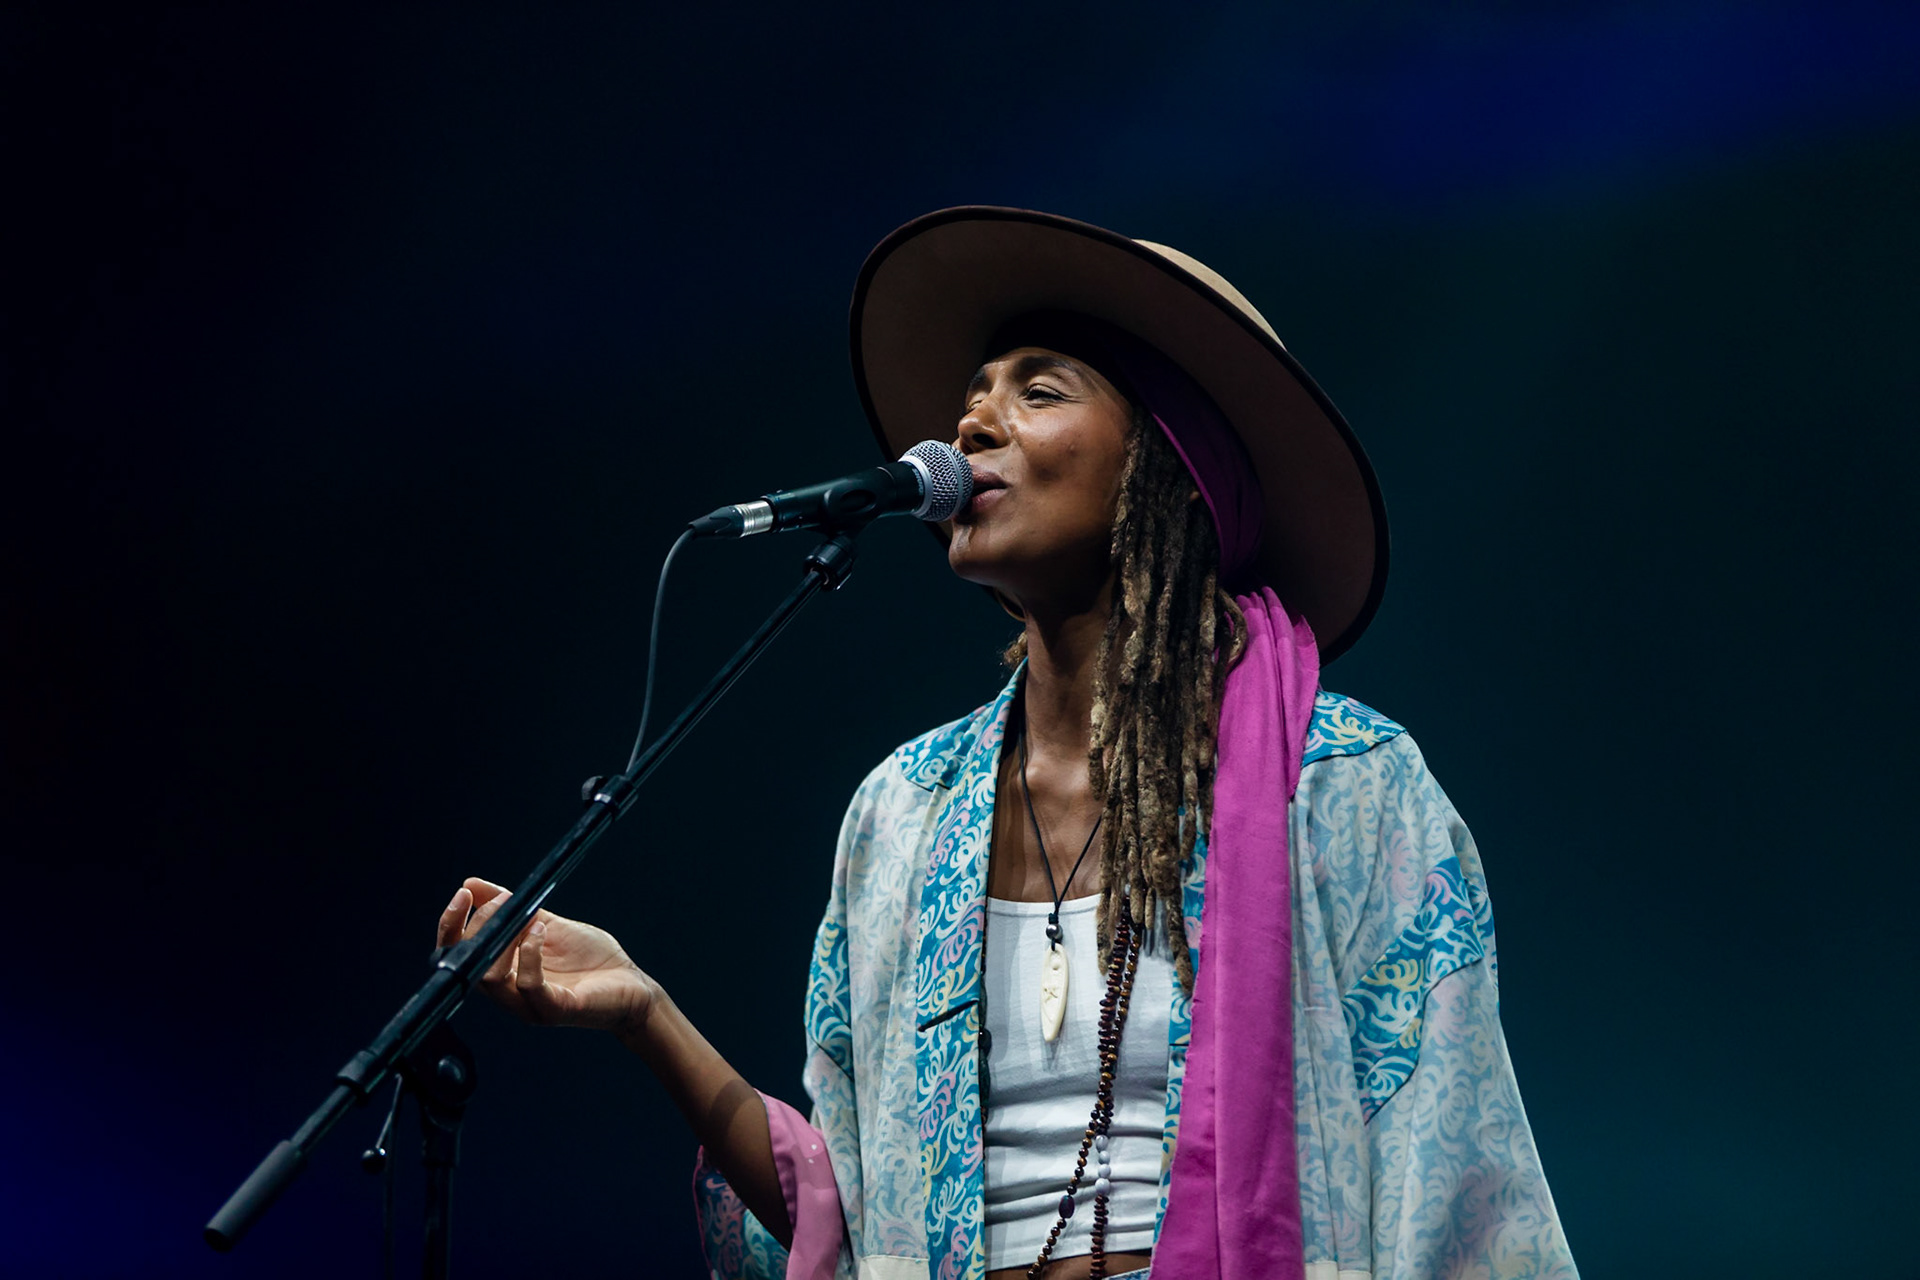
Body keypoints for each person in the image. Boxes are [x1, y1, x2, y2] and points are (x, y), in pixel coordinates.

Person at [436, 208, 1578, 1280]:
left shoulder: (1338, 782)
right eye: (971, 396)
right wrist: (644, 1008)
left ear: (1169, 466)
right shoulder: (903, 814)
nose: (970, 422)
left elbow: (1455, 1182)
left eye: (1037, 391)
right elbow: (852, 1210)